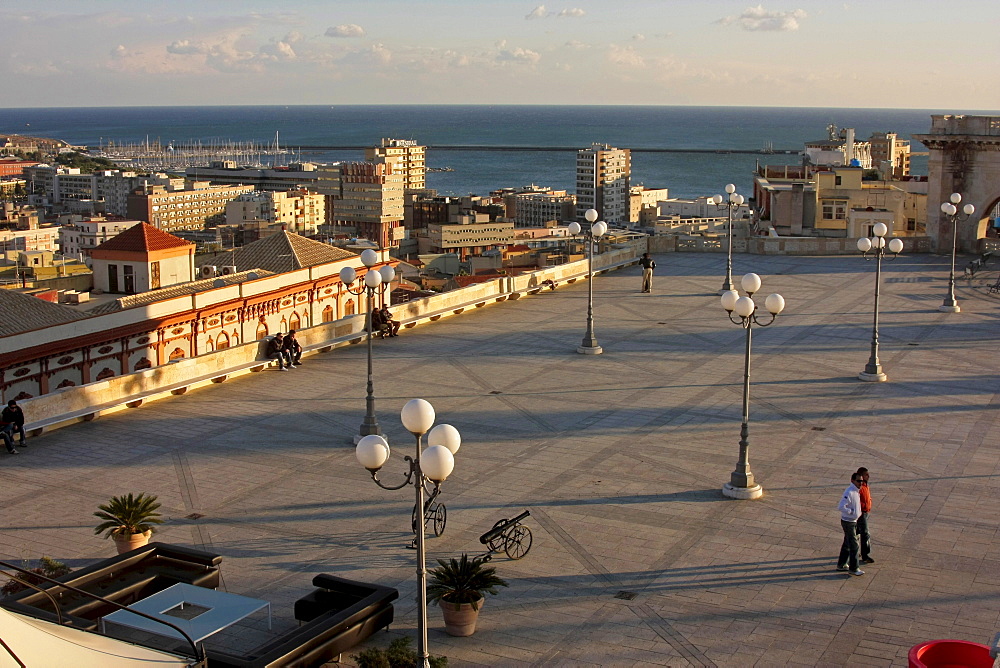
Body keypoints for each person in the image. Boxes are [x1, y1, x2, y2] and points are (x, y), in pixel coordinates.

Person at [837, 472, 865, 576]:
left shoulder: (856, 491)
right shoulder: (849, 492)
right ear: (852, 481)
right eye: (858, 481)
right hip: (848, 522)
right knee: (854, 545)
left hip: (853, 521)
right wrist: (851, 512)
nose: (860, 483)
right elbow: (841, 506)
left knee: (847, 543)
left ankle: (842, 564)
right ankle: (854, 568)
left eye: (862, 481)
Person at [856, 467, 874, 564]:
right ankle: (865, 555)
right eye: (866, 474)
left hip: (865, 512)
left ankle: (855, 551)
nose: (868, 476)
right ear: (862, 476)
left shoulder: (865, 485)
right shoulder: (860, 487)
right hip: (861, 513)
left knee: (857, 532)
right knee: (865, 533)